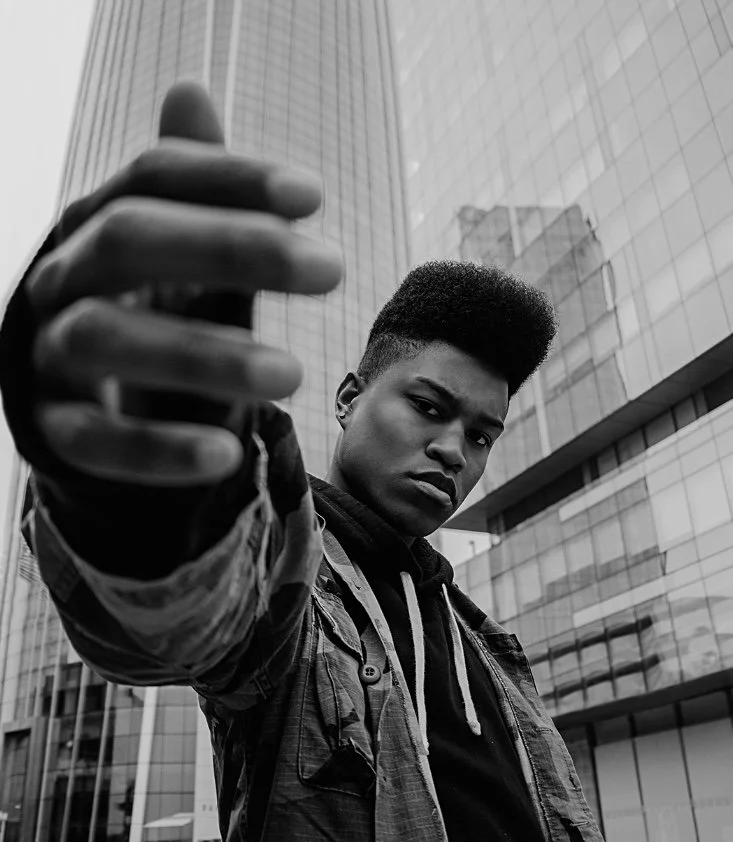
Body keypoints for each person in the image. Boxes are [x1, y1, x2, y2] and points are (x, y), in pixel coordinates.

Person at [0, 83, 604, 841]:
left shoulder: (485, 643)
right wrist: (132, 492)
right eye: (427, 406)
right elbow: (193, 611)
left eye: (482, 435)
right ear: (350, 397)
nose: (454, 450)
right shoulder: (293, 581)